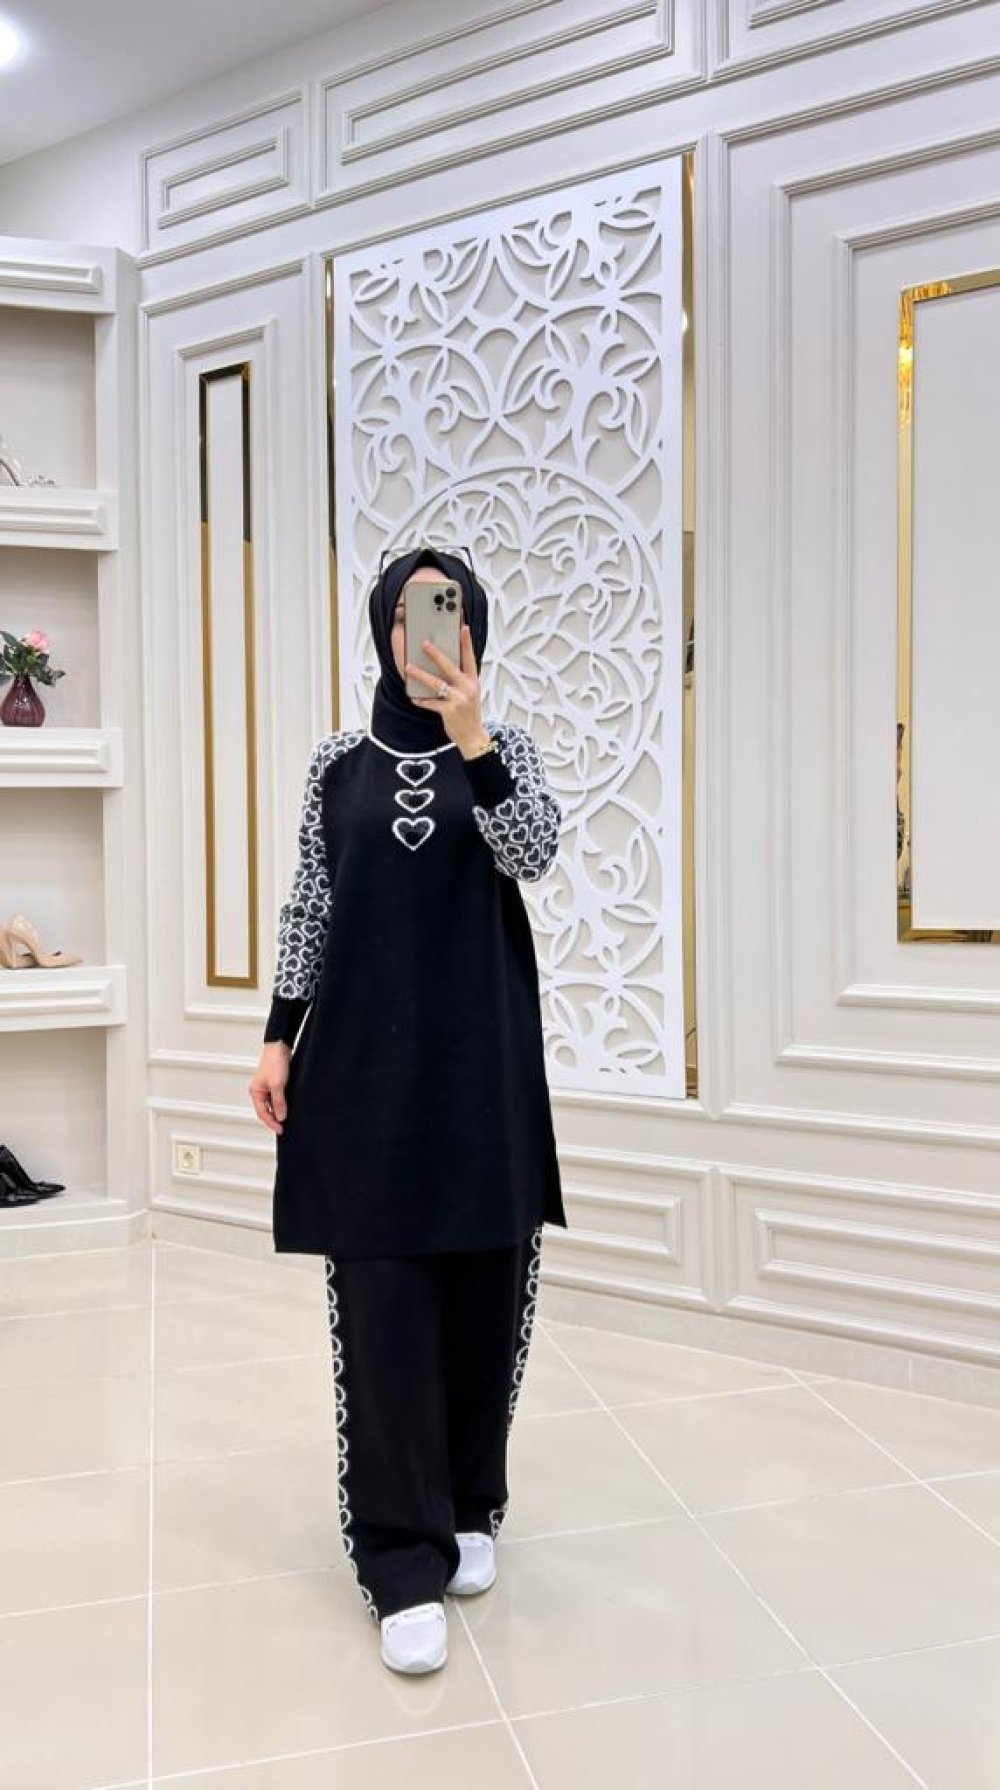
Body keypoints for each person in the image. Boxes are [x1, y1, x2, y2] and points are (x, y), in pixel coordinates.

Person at [248, 544, 567, 1675]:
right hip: (364, 1082)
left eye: (449, 611)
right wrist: (278, 1033)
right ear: (384, 628)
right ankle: (397, 1554)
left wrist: (472, 735)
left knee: (486, 1297)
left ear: (473, 630)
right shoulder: (337, 765)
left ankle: (471, 1504)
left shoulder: (506, 749)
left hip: (482, 1077)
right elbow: (311, 902)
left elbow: (533, 852)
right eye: (409, 615)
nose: (426, 632)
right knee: (383, 1312)